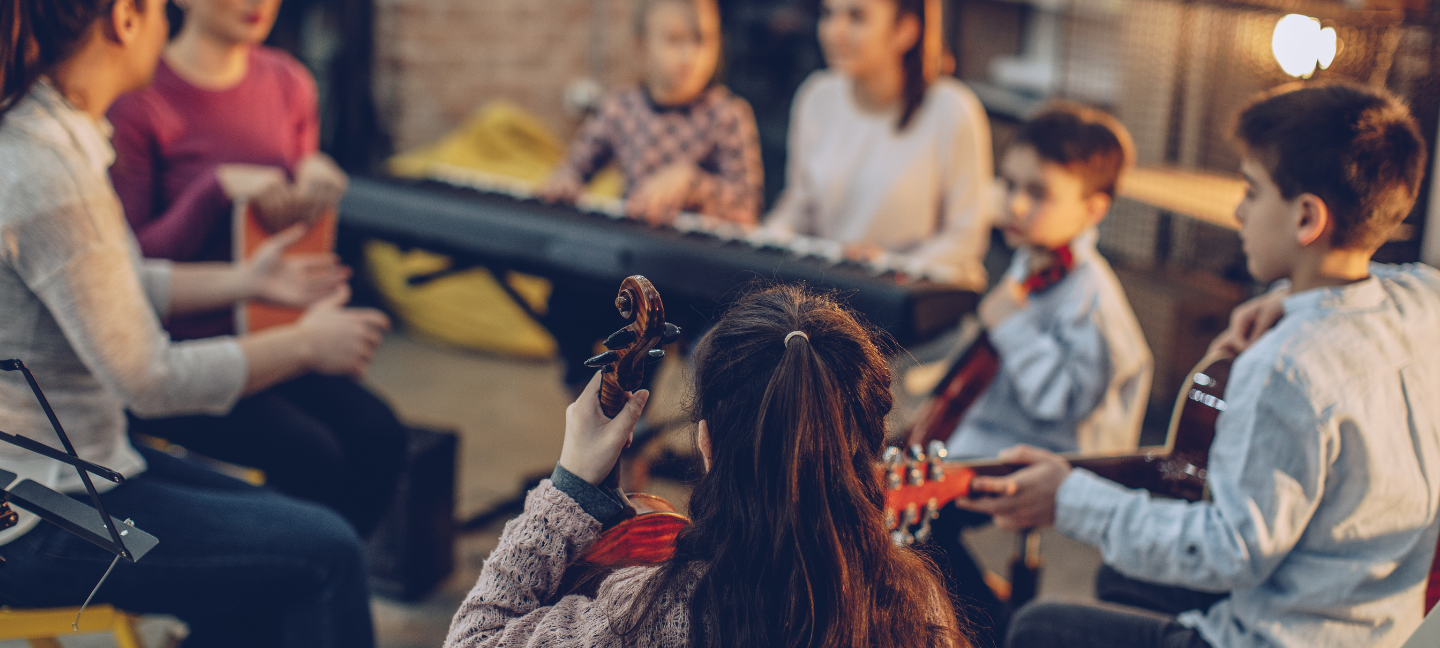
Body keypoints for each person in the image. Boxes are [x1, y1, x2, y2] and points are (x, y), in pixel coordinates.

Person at [963, 83, 1440, 648]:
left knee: (1038, 629)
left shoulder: (1284, 366)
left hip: (1273, 636)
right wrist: (1291, 296)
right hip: (1382, 623)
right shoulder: (1422, 306)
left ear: (1307, 217)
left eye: (1251, 191)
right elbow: (1400, 280)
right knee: (1124, 574)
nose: (1238, 211)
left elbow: (1230, 551)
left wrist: (1067, 499)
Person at [0, 1, 388, 645]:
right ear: (126, 19)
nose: (166, 23)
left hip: (67, 477)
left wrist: (247, 280)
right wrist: (304, 344)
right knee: (326, 553)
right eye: (159, 10)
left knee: (294, 533)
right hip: (44, 513)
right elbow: (149, 379)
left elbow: (108, 283)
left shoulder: (47, 134)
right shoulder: (50, 171)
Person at [444, 285, 966, 648]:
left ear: (706, 442)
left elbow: (477, 638)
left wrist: (570, 487)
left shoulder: (648, 613)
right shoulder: (916, 609)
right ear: (869, 455)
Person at [106, 0, 406, 537]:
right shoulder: (139, 98)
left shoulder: (290, 83)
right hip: (179, 354)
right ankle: (274, 593)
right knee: (310, 456)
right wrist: (214, 190)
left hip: (275, 335)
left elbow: (289, 226)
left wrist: (313, 175)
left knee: (379, 435)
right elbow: (127, 266)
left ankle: (312, 589)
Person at [922, 104, 1153, 648]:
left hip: (1050, 455)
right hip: (995, 436)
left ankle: (991, 626)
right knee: (889, 487)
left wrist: (1012, 326)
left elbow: (1061, 402)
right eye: (1009, 184)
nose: (1016, 204)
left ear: (1094, 208)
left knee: (918, 519)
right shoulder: (1035, 260)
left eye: (1040, 193)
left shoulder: (1091, 299)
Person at [538, 0, 764, 397]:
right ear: (641, 47)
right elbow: (576, 167)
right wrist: (565, 180)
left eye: (702, 40)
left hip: (694, 272)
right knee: (565, 299)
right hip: (629, 266)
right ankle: (589, 401)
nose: (689, 55)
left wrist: (694, 183)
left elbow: (747, 208)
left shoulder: (728, 115)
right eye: (674, 40)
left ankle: (657, 430)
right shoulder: (620, 108)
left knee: (703, 349)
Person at [759, 0, 992, 289]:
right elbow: (800, 204)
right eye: (828, 14)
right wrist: (765, 240)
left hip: (917, 302)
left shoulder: (954, 110)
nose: (834, 32)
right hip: (833, 293)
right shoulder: (816, 96)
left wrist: (888, 268)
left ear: (905, 30)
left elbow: (965, 239)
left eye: (857, 17)